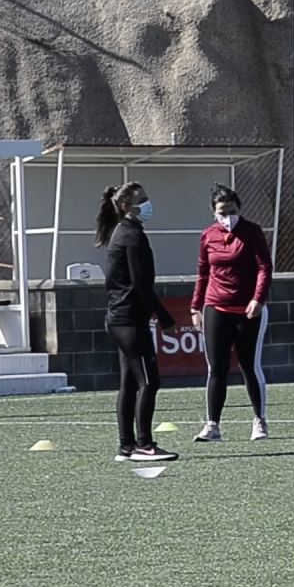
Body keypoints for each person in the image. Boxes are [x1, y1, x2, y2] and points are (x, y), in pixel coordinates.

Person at [95, 182, 178, 462]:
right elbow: (141, 284)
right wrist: (164, 315)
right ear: (125, 206)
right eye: (141, 200)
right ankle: (144, 444)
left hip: (120, 319)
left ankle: (126, 445)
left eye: (147, 197)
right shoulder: (131, 235)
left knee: (129, 383)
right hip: (129, 320)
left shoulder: (123, 232)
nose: (147, 204)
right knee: (148, 382)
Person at [190, 184, 273, 442]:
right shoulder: (208, 236)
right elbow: (204, 272)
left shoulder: (252, 232)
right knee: (217, 368)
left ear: (239, 208)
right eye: (221, 213)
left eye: (232, 211)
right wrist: (196, 306)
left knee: (249, 365)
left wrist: (258, 299)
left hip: (247, 310)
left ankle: (259, 420)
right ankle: (212, 424)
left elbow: (264, 267)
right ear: (213, 213)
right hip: (216, 306)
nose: (227, 217)